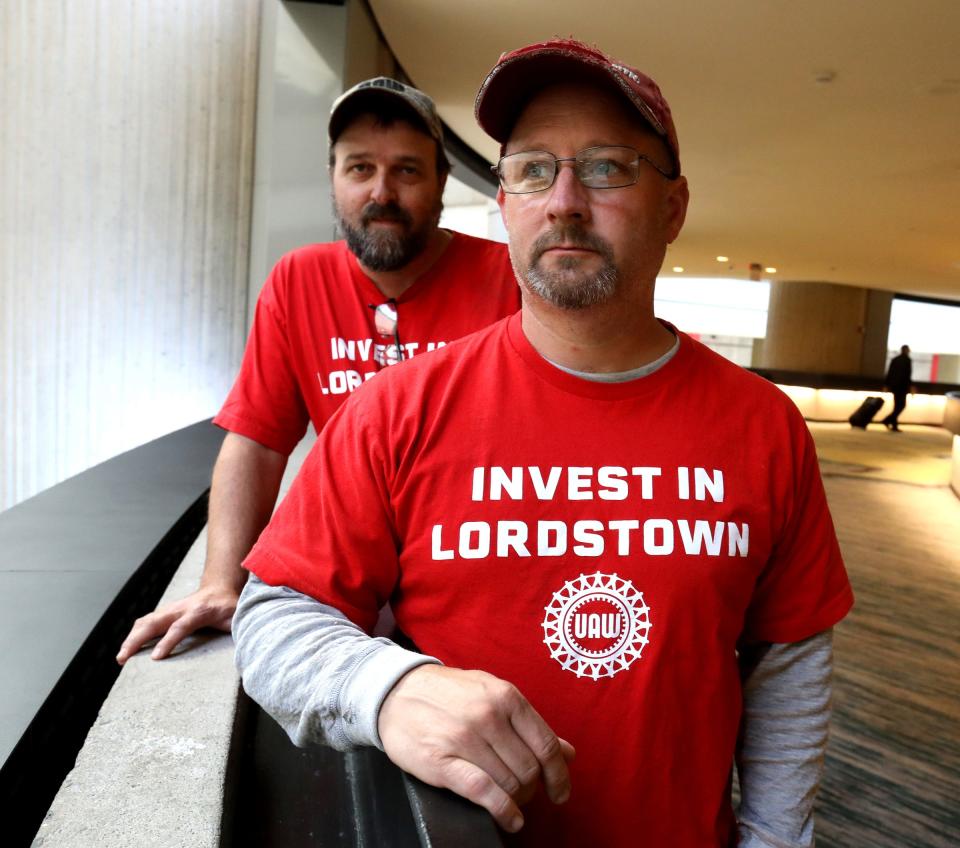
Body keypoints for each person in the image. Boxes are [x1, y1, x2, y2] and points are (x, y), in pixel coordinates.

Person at [233, 39, 854, 848]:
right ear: (504, 203)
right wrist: (387, 687)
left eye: (605, 168)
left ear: (673, 208)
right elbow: (276, 616)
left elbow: (789, 668)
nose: (563, 200)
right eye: (533, 169)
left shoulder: (763, 424)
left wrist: (775, 840)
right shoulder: (397, 409)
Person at [116, 77, 520, 664]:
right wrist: (221, 581)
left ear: (441, 185)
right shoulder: (296, 280)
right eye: (359, 169)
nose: (381, 192)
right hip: (351, 587)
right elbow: (257, 440)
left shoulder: (507, 279)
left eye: (407, 171)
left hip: (481, 579)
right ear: (333, 178)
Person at [882, 344, 913, 432]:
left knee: (896, 405)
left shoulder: (895, 360)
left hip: (895, 386)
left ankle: (892, 423)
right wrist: (910, 386)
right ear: (906, 350)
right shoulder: (908, 360)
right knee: (901, 405)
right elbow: (908, 375)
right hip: (903, 386)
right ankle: (888, 420)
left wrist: (886, 385)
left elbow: (890, 373)